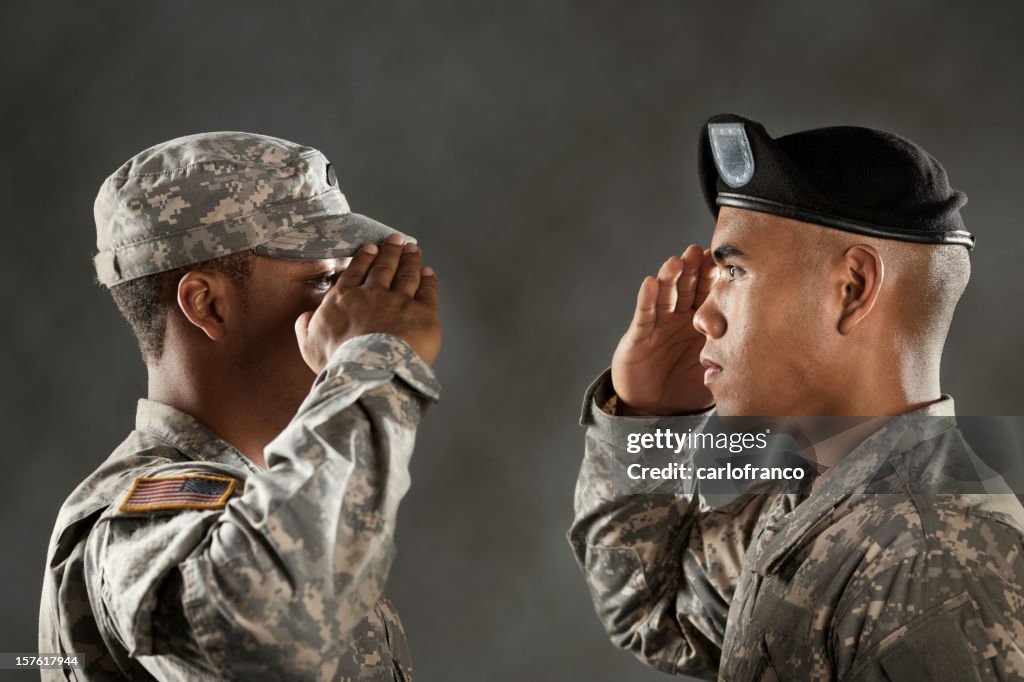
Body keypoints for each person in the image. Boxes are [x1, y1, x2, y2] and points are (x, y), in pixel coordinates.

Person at [569, 114, 1024, 680]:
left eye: (734, 271)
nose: (704, 317)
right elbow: (655, 612)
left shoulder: (936, 564)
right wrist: (647, 419)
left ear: (852, 289)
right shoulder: (817, 503)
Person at [39, 131, 441, 680]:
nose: (355, 303)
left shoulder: (273, 496)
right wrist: (371, 363)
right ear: (208, 305)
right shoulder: (136, 519)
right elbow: (275, 632)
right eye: (324, 280)